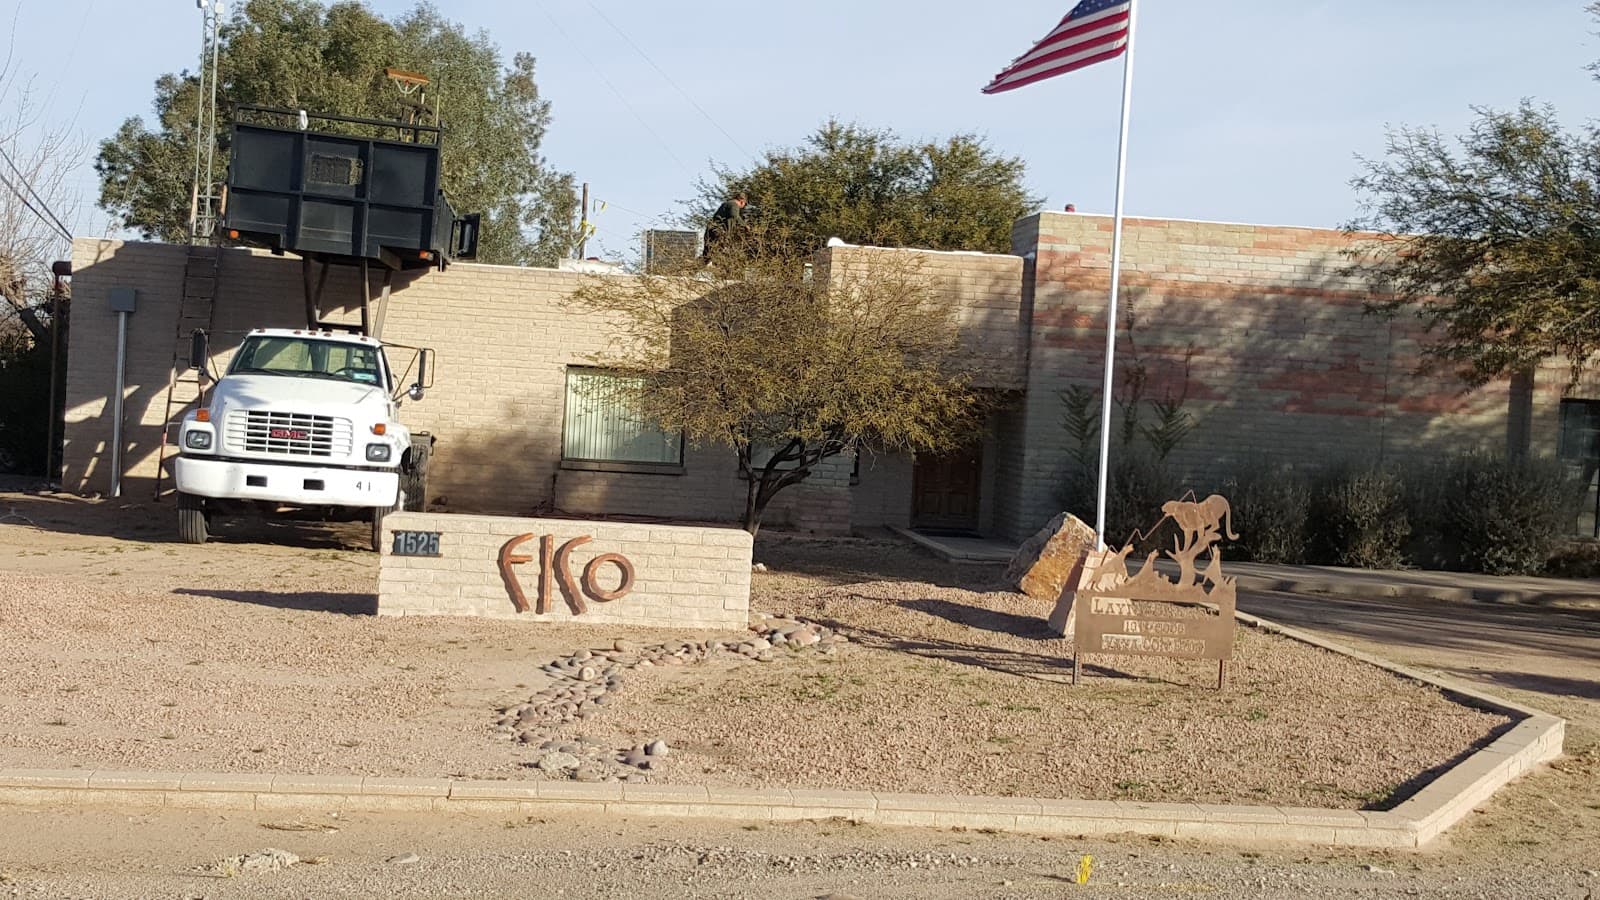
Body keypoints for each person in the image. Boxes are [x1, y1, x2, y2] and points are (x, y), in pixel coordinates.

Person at [702, 191, 748, 261]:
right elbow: (734, 215)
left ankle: (695, 266)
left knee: (708, 253)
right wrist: (745, 225)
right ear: (742, 201)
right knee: (720, 251)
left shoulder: (726, 204)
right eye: (745, 204)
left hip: (711, 229)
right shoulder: (734, 204)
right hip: (718, 231)